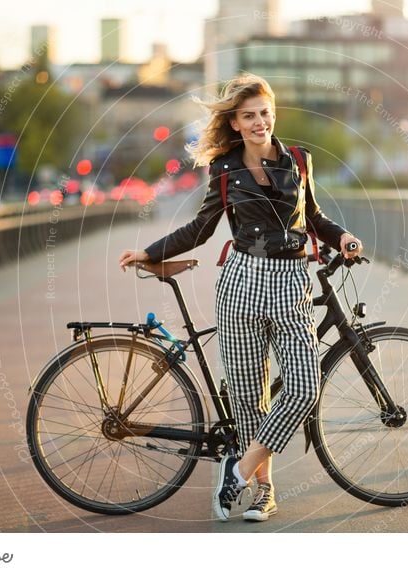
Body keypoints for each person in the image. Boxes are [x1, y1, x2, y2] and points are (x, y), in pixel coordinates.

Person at [119, 73, 362, 522]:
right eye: (248, 116)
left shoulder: (299, 161)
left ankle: (240, 469)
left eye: (264, 113)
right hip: (241, 284)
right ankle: (263, 492)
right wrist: (149, 252)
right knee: (249, 400)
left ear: (274, 114)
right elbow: (200, 228)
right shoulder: (224, 168)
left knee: (304, 388)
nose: (258, 122)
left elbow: (315, 217)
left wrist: (343, 235)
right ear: (234, 123)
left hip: (291, 280)